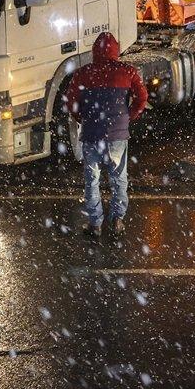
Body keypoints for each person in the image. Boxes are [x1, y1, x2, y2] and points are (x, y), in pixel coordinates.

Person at [64, 31, 148, 239]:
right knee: (119, 178)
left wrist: (82, 118)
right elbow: (142, 97)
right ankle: (117, 220)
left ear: (94, 51)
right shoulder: (128, 71)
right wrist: (129, 116)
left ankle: (95, 224)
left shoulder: (82, 74)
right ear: (116, 50)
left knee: (92, 180)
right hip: (117, 135)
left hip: (91, 135)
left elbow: (71, 102)